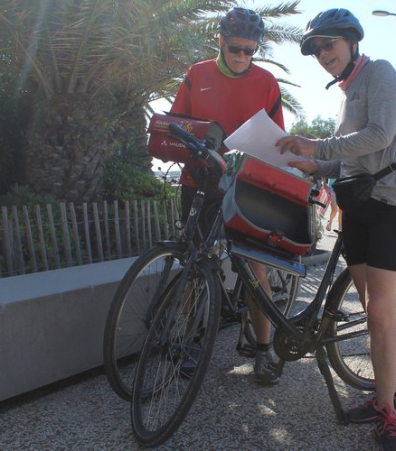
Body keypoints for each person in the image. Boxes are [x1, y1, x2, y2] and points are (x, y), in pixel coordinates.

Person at [276, 8, 396, 451]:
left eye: (328, 45)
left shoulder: (380, 73)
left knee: (379, 309)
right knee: (372, 306)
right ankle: (392, 393)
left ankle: (389, 417)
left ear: (351, 41)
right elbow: (347, 159)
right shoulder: (346, 91)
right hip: (357, 205)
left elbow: (379, 135)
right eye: (316, 49)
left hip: (394, 204)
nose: (322, 54)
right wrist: (313, 163)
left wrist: (317, 145)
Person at [169, 7, 285, 386]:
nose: (242, 57)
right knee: (192, 265)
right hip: (198, 181)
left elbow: (277, 141)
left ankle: (264, 349)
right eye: (235, 48)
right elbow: (175, 125)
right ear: (220, 40)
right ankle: (187, 341)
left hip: (246, 184)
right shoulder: (196, 74)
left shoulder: (267, 82)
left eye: (250, 51)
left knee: (255, 268)